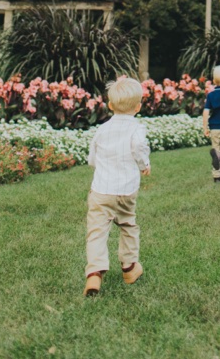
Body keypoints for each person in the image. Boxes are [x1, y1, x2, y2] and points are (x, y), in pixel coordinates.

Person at [84, 76, 151, 297]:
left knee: (96, 231)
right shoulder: (136, 128)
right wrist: (144, 165)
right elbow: (139, 148)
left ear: (110, 105)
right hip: (126, 190)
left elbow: (92, 158)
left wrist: (98, 166)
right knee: (128, 225)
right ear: (138, 107)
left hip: (101, 189)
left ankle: (94, 273)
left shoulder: (102, 130)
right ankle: (130, 268)